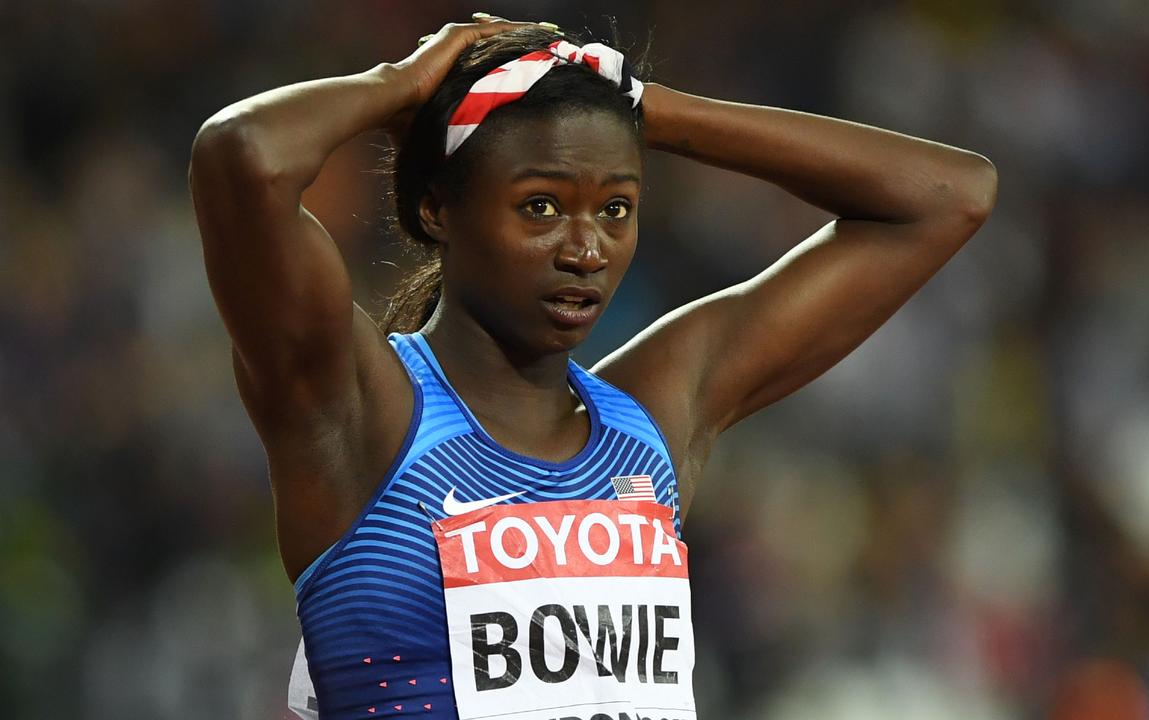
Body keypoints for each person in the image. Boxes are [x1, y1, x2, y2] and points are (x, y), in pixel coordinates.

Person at [189, 13, 996, 720]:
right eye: (540, 205)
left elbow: (951, 192)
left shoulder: (652, 418)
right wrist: (406, 84)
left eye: (616, 207)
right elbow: (243, 157)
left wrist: (642, 106)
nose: (585, 249)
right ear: (438, 207)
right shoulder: (361, 413)